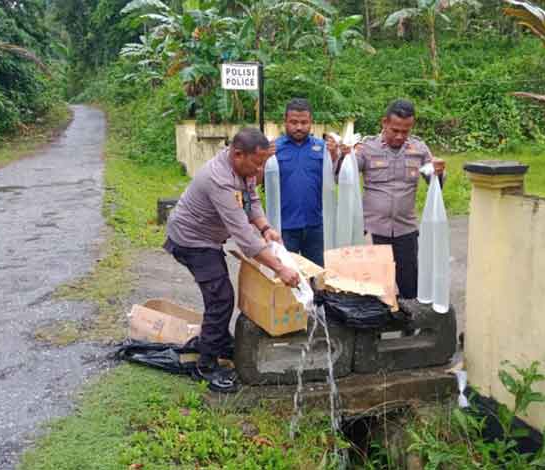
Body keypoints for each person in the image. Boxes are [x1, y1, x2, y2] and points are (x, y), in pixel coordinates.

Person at [164, 128, 300, 393]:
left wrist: (265, 228)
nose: (260, 169)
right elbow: (244, 238)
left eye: (263, 163)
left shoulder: (244, 169)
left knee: (220, 294)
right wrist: (280, 268)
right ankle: (206, 364)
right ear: (238, 154)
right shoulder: (219, 180)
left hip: (208, 238)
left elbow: (252, 201)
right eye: (257, 163)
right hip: (190, 240)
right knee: (221, 297)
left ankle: (215, 340)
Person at [328, 99, 445, 300]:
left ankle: (408, 329)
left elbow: (435, 182)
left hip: (405, 231)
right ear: (384, 122)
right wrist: (342, 156)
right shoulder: (366, 148)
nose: (399, 136)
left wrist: (439, 171)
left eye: (405, 131)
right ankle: (374, 331)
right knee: (374, 289)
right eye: (395, 130)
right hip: (373, 231)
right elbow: (341, 178)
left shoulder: (419, 149)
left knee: (409, 287)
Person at [273, 98, 327, 266]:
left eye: (304, 122)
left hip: (315, 225)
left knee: (318, 275)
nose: (299, 127)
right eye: (293, 122)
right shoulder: (273, 148)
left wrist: (339, 154)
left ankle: (317, 294)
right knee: (286, 276)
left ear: (311, 122)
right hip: (284, 226)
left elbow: (334, 178)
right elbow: (258, 181)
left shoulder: (322, 147)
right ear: (285, 121)